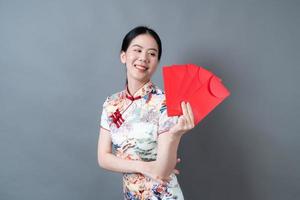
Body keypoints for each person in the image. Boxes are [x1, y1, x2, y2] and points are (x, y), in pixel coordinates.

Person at [97, 26, 195, 200]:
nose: (144, 58)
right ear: (123, 56)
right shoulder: (111, 104)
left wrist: (175, 135)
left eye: (152, 54)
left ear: (157, 62)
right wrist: (143, 166)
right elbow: (103, 158)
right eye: (138, 50)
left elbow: (162, 172)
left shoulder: (165, 103)